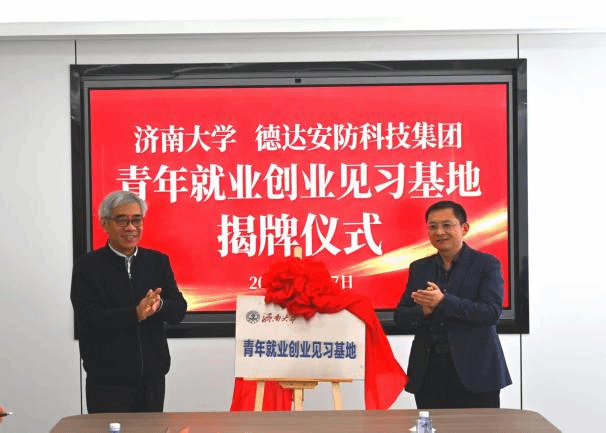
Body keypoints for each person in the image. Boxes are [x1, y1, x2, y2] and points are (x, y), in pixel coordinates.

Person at [71, 190, 187, 413]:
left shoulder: (157, 262)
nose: (131, 227)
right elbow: (88, 318)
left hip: (152, 380)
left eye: (136, 220)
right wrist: (135, 314)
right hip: (106, 382)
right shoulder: (87, 266)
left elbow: (178, 310)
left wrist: (159, 306)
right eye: (122, 220)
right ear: (105, 223)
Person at [394, 200, 511, 408]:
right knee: (432, 425)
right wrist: (424, 310)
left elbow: (490, 313)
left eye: (447, 225)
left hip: (476, 372)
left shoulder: (486, 264)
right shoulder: (419, 268)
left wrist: (443, 302)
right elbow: (401, 317)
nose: (439, 232)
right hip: (429, 373)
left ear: (464, 228)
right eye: (433, 226)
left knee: (479, 425)